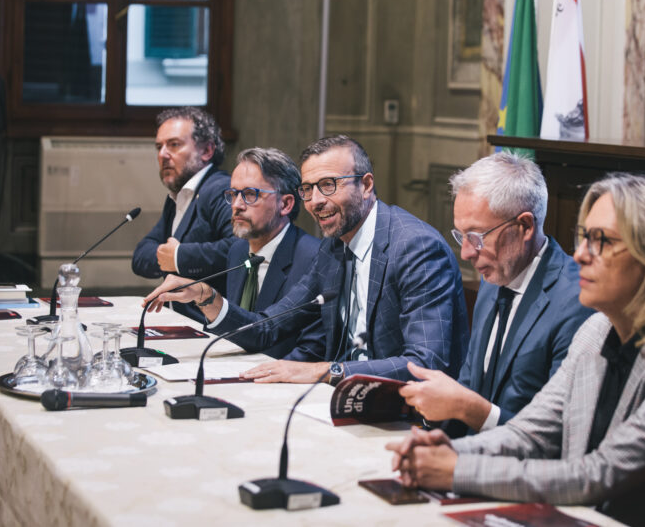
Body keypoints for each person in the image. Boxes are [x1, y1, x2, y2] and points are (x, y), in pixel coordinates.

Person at [386, 173, 645, 527]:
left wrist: (456, 469)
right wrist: (442, 451)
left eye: (602, 241)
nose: (580, 254)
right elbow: (529, 433)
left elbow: (598, 474)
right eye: (584, 237)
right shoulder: (596, 331)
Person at [144, 135, 469, 384]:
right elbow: (267, 329)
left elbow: (425, 364)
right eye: (308, 189)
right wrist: (205, 295)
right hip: (339, 399)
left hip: (409, 416)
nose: (315, 201)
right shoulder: (334, 249)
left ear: (366, 185)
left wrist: (325, 371)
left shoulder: (415, 247)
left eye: (328, 185)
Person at [399, 152, 593, 436]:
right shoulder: (493, 278)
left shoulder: (578, 302)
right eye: (461, 236)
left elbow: (558, 436)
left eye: (477, 237)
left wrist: (466, 408)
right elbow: (469, 385)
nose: (466, 253)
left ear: (525, 226)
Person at [132, 107, 235, 322]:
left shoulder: (221, 190)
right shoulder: (178, 196)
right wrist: (169, 257)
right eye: (159, 146)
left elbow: (239, 250)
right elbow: (141, 256)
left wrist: (179, 257)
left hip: (210, 325)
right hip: (178, 320)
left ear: (207, 150)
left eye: (174, 144)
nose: (162, 154)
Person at [224, 147, 320, 358]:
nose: (237, 205)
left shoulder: (313, 258)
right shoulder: (237, 251)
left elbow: (310, 351)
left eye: (250, 194)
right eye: (233, 194)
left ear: (285, 204)